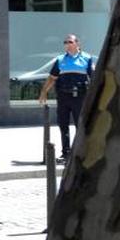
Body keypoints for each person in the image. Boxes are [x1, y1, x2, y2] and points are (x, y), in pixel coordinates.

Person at [38, 34, 95, 162]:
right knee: (63, 124)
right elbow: (52, 78)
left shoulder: (87, 58)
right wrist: (44, 91)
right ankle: (66, 152)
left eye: (70, 42)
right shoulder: (60, 59)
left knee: (80, 125)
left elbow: (93, 79)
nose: (67, 44)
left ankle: (81, 152)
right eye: (65, 42)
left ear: (77, 44)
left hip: (79, 97)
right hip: (63, 97)